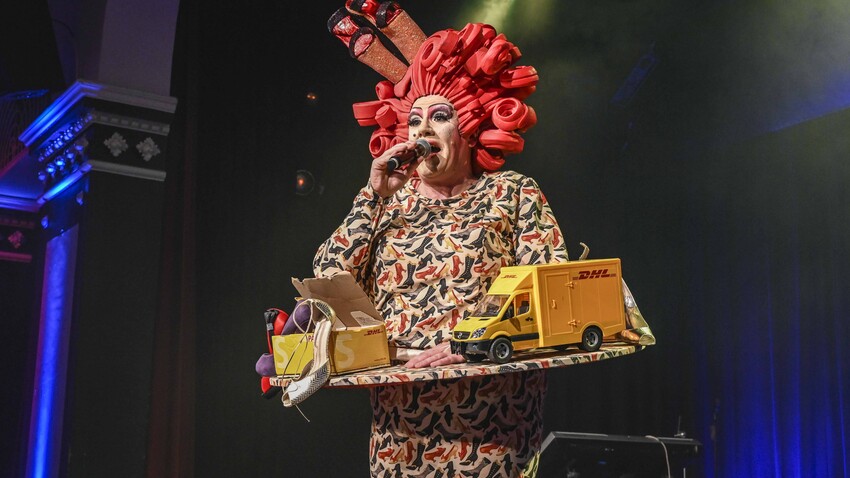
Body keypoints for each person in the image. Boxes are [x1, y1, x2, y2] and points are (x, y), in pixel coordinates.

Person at [314, 6, 569, 476]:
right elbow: (328, 281)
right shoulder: (386, 202)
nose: (423, 131)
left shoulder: (512, 193)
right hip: (401, 433)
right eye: (414, 121)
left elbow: (549, 289)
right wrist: (372, 197)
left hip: (494, 431)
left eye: (440, 116)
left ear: (468, 126)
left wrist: (474, 342)